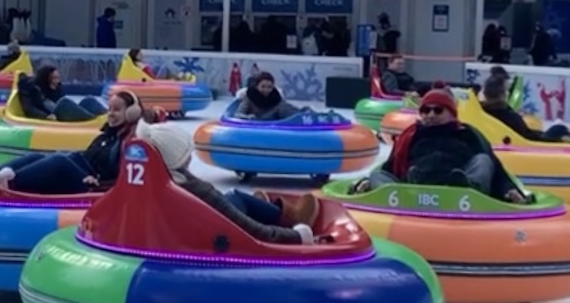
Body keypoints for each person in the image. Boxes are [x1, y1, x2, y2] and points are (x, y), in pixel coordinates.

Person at [135, 120, 319, 244]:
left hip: (198, 229)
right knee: (235, 199)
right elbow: (251, 231)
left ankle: (269, 210)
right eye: (187, 153)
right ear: (177, 159)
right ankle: (292, 218)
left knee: (235, 197)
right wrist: (297, 237)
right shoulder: (196, 191)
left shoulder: (158, 181)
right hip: (214, 234)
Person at [351, 84, 529, 203]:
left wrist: (508, 189)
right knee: (377, 176)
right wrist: (367, 182)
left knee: (482, 160)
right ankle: (409, 189)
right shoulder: (411, 135)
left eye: (437, 110)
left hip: (458, 184)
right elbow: (391, 167)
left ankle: (468, 187)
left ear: (451, 112)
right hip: (414, 186)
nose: (431, 115)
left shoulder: (468, 133)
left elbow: (494, 168)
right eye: (426, 110)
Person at [0, 89, 144, 195]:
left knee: (60, 161)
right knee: (42, 155)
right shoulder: (107, 135)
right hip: (85, 171)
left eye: (117, 110)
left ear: (131, 112)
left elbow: (124, 176)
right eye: (110, 109)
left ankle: (7, 184)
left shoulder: (131, 141)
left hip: (94, 185)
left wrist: (101, 183)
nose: (111, 114)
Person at [479, 74, 570, 142]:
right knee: (560, 128)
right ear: (502, 94)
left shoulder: (483, 112)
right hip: (528, 144)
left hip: (518, 138)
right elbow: (528, 137)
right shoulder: (509, 116)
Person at [16, 64, 107, 123]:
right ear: (45, 79)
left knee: (88, 100)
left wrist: (54, 90)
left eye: (57, 78)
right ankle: (93, 121)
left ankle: (106, 116)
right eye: (54, 78)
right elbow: (30, 109)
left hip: (61, 113)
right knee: (64, 103)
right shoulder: (31, 89)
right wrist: (46, 116)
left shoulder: (56, 88)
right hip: (53, 116)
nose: (57, 81)